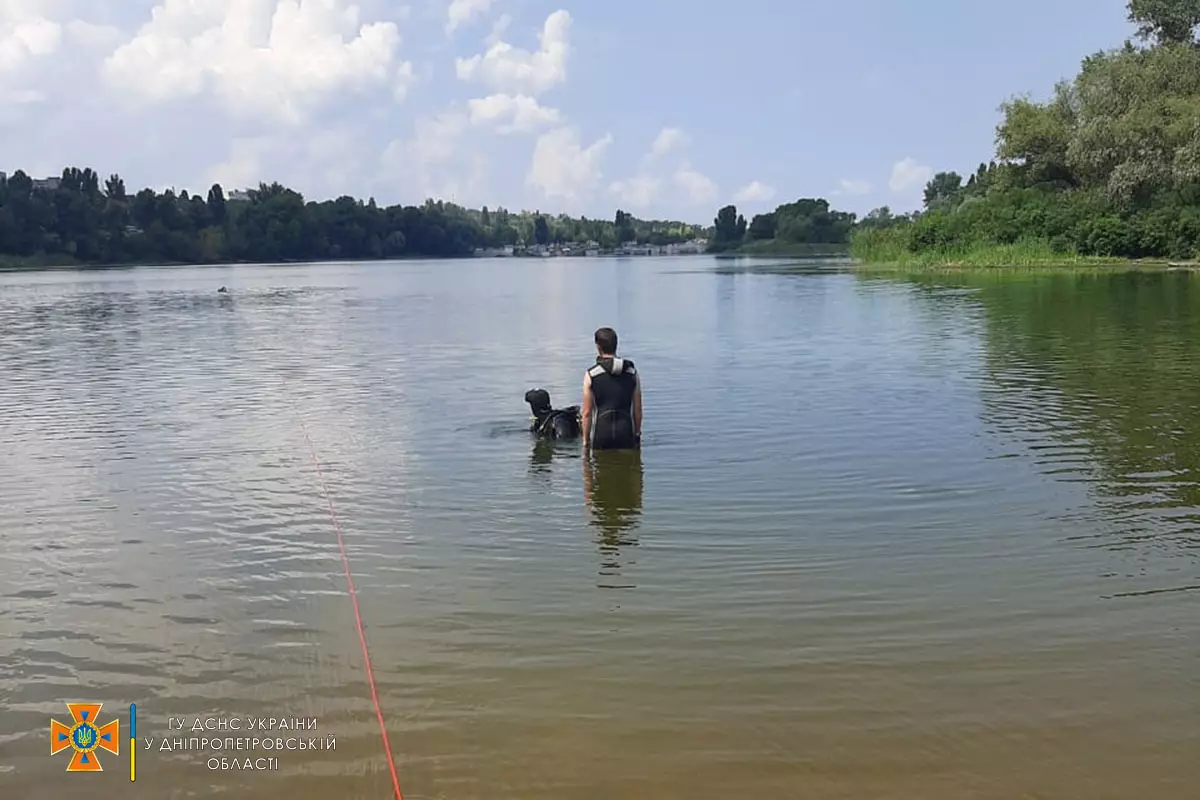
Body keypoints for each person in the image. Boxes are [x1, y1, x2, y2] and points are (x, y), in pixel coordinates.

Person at [581, 327, 642, 451]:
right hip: (625, 433)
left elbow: (587, 412)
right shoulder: (632, 372)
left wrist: (586, 441)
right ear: (616, 345)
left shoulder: (591, 374)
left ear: (598, 346)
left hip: (601, 434)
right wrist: (637, 434)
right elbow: (637, 409)